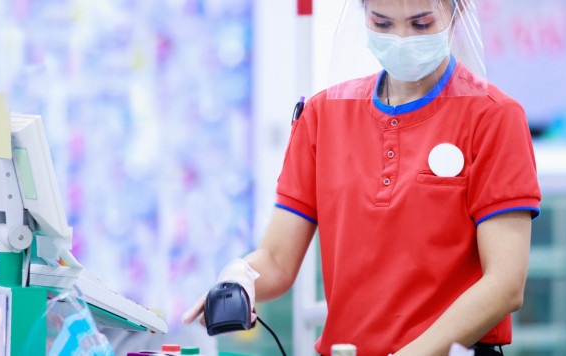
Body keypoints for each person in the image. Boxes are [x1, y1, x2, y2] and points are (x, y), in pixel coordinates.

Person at [183, 0, 541, 355]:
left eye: (421, 24)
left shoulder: (493, 118)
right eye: (383, 24)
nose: (401, 39)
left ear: (457, 13)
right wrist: (241, 277)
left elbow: (505, 283)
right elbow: (277, 260)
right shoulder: (323, 116)